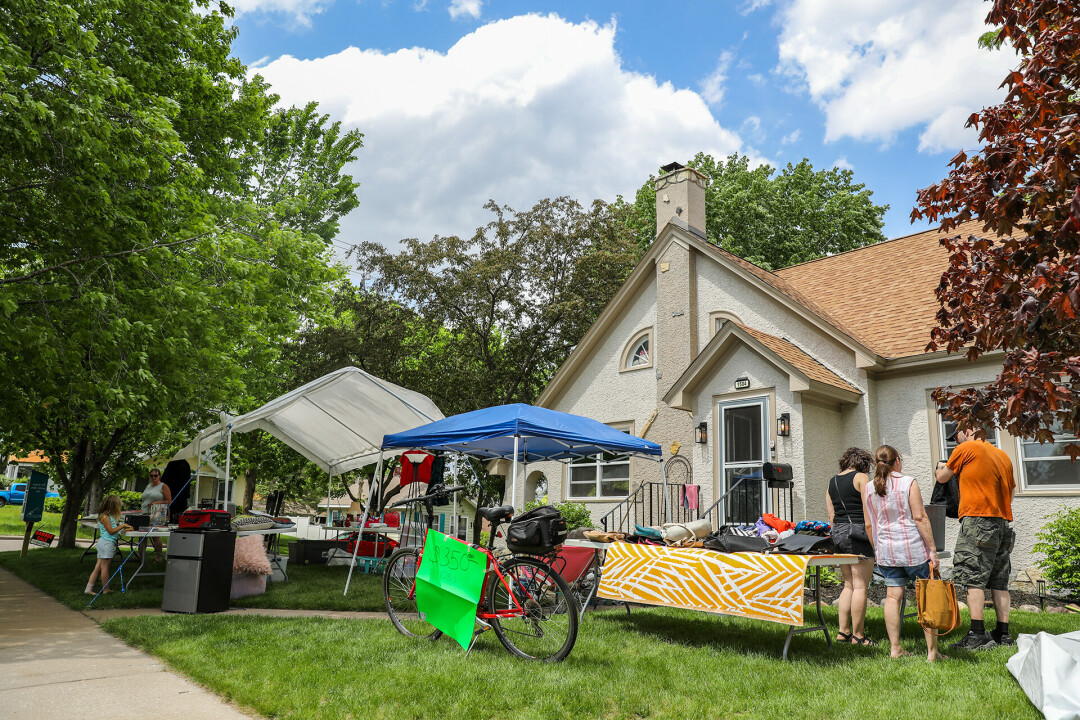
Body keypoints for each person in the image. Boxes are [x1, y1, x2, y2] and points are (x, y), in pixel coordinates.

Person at [935, 426, 1016, 650]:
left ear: (967, 431)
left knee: (973, 578)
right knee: (999, 580)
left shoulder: (966, 447)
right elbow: (1011, 492)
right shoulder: (1003, 456)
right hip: (1002, 522)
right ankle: (1003, 634)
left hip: (977, 522)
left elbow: (943, 478)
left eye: (956, 436)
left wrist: (941, 466)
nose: (955, 440)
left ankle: (977, 634)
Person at [864, 445, 946, 661]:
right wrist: (932, 550)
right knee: (926, 597)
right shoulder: (908, 482)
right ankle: (932, 652)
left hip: (886, 549)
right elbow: (920, 517)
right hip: (912, 549)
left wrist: (877, 549)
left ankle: (895, 648)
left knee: (892, 597)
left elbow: (869, 525)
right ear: (897, 460)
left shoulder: (869, 487)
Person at [824, 447, 876, 645]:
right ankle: (858, 635)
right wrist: (874, 543)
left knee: (848, 584)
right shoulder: (861, 478)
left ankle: (843, 632)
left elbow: (831, 515)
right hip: (858, 533)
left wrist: (837, 535)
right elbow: (868, 513)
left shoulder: (832, 481)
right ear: (863, 462)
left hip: (838, 533)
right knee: (861, 585)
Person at [86, 495, 131, 595]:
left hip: (104, 543)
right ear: (112, 507)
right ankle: (106, 590)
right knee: (105, 567)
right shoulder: (105, 517)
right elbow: (111, 531)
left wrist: (120, 526)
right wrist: (122, 526)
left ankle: (88, 589)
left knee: (98, 567)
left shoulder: (107, 516)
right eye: (117, 506)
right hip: (107, 543)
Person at [141, 467, 172, 563]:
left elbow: (169, 501)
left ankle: (158, 558)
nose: (153, 477)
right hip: (145, 512)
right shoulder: (148, 486)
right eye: (151, 476)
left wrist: (156, 503)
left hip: (156, 514)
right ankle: (141, 557)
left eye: (155, 475)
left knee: (155, 536)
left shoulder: (163, 486)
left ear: (159, 476)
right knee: (142, 536)